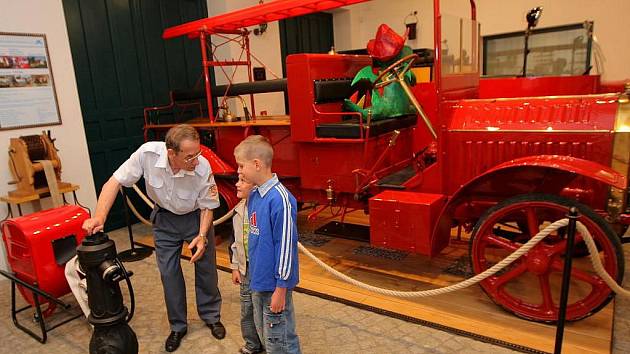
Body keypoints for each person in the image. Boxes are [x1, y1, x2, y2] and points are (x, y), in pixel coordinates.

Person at [82, 124, 225, 352]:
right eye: (189, 156)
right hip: (165, 220)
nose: (196, 160)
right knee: (169, 274)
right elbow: (114, 181)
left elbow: (208, 206)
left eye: (198, 153)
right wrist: (99, 216)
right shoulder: (147, 154)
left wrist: (201, 235)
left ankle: (211, 316)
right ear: (171, 153)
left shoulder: (202, 166)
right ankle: (178, 326)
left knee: (206, 269)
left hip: (196, 219)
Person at [234, 135, 301, 354]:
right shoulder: (254, 196)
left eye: (241, 166)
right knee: (266, 335)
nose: (239, 171)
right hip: (258, 281)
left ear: (257, 164)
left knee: (280, 339)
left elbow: (285, 247)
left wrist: (281, 288)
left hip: (274, 284)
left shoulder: (280, 199)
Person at [229, 176, 264, 354]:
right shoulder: (238, 211)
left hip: (261, 270)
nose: (237, 184)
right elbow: (234, 242)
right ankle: (252, 343)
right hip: (245, 269)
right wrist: (235, 266)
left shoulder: (262, 209)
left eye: (243, 181)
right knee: (247, 308)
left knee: (262, 309)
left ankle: (268, 343)